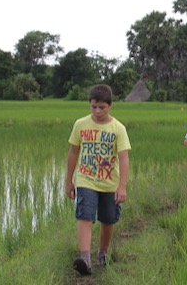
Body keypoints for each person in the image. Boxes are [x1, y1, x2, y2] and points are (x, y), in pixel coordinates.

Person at [66, 84, 131, 276]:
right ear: (90, 104)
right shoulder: (80, 124)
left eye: (101, 107)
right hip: (86, 179)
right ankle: (85, 258)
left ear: (110, 106)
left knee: (108, 219)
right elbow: (73, 153)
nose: (97, 111)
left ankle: (103, 252)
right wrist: (69, 181)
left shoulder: (118, 128)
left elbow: (124, 158)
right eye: (94, 106)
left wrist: (122, 186)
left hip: (110, 182)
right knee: (84, 215)